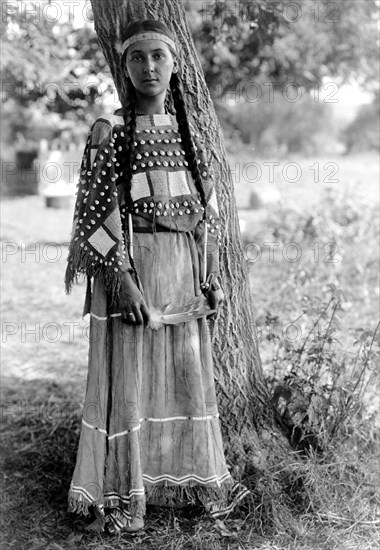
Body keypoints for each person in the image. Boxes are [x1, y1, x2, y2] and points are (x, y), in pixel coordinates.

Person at [65, 19, 249, 534]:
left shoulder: (190, 140)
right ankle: (129, 496)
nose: (149, 67)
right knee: (132, 379)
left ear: (175, 64)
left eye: (158, 56)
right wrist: (123, 283)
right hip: (134, 272)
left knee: (186, 376)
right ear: (124, 67)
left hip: (182, 275)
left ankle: (188, 482)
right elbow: (94, 224)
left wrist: (210, 279)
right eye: (137, 57)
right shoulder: (110, 133)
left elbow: (205, 222)